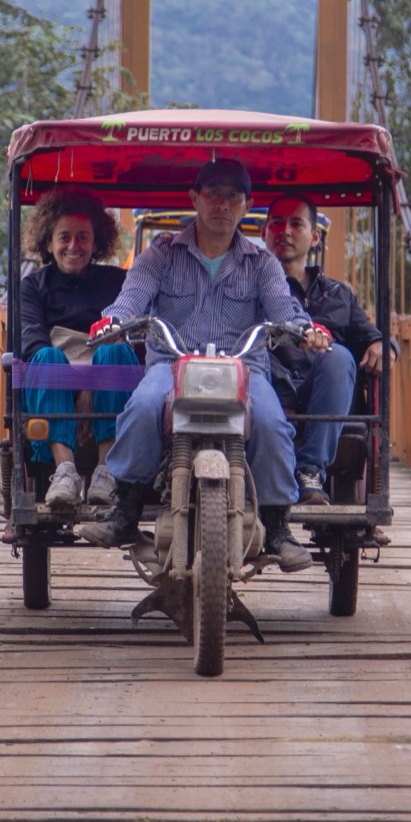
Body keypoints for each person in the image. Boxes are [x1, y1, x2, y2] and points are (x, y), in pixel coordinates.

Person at [79, 158, 332, 572]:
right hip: (171, 364)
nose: (222, 204)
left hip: (244, 370)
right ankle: (124, 510)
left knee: (271, 422)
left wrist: (306, 331)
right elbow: (130, 300)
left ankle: (278, 526)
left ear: (247, 205)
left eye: (234, 196)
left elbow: (284, 310)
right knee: (142, 406)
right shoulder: (159, 254)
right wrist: (114, 321)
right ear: (194, 198)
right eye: (213, 193)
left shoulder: (262, 263)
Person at [263, 193, 388, 506]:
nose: (285, 231)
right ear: (264, 233)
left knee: (339, 355)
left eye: (296, 224)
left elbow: (370, 334)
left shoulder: (338, 293)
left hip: (325, 394)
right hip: (271, 394)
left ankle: (310, 471)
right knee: (253, 351)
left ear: (314, 236)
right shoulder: (251, 288)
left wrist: (382, 344)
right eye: (276, 223)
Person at [19, 187, 137, 507]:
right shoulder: (33, 286)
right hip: (55, 379)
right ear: (48, 242)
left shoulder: (117, 282)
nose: (74, 246)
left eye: (83, 237)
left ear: (96, 242)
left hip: (107, 377)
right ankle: (65, 471)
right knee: (44, 355)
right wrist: (81, 383)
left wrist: (91, 385)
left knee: (114, 350)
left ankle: (106, 470)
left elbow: (128, 329)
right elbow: (31, 340)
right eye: (64, 237)